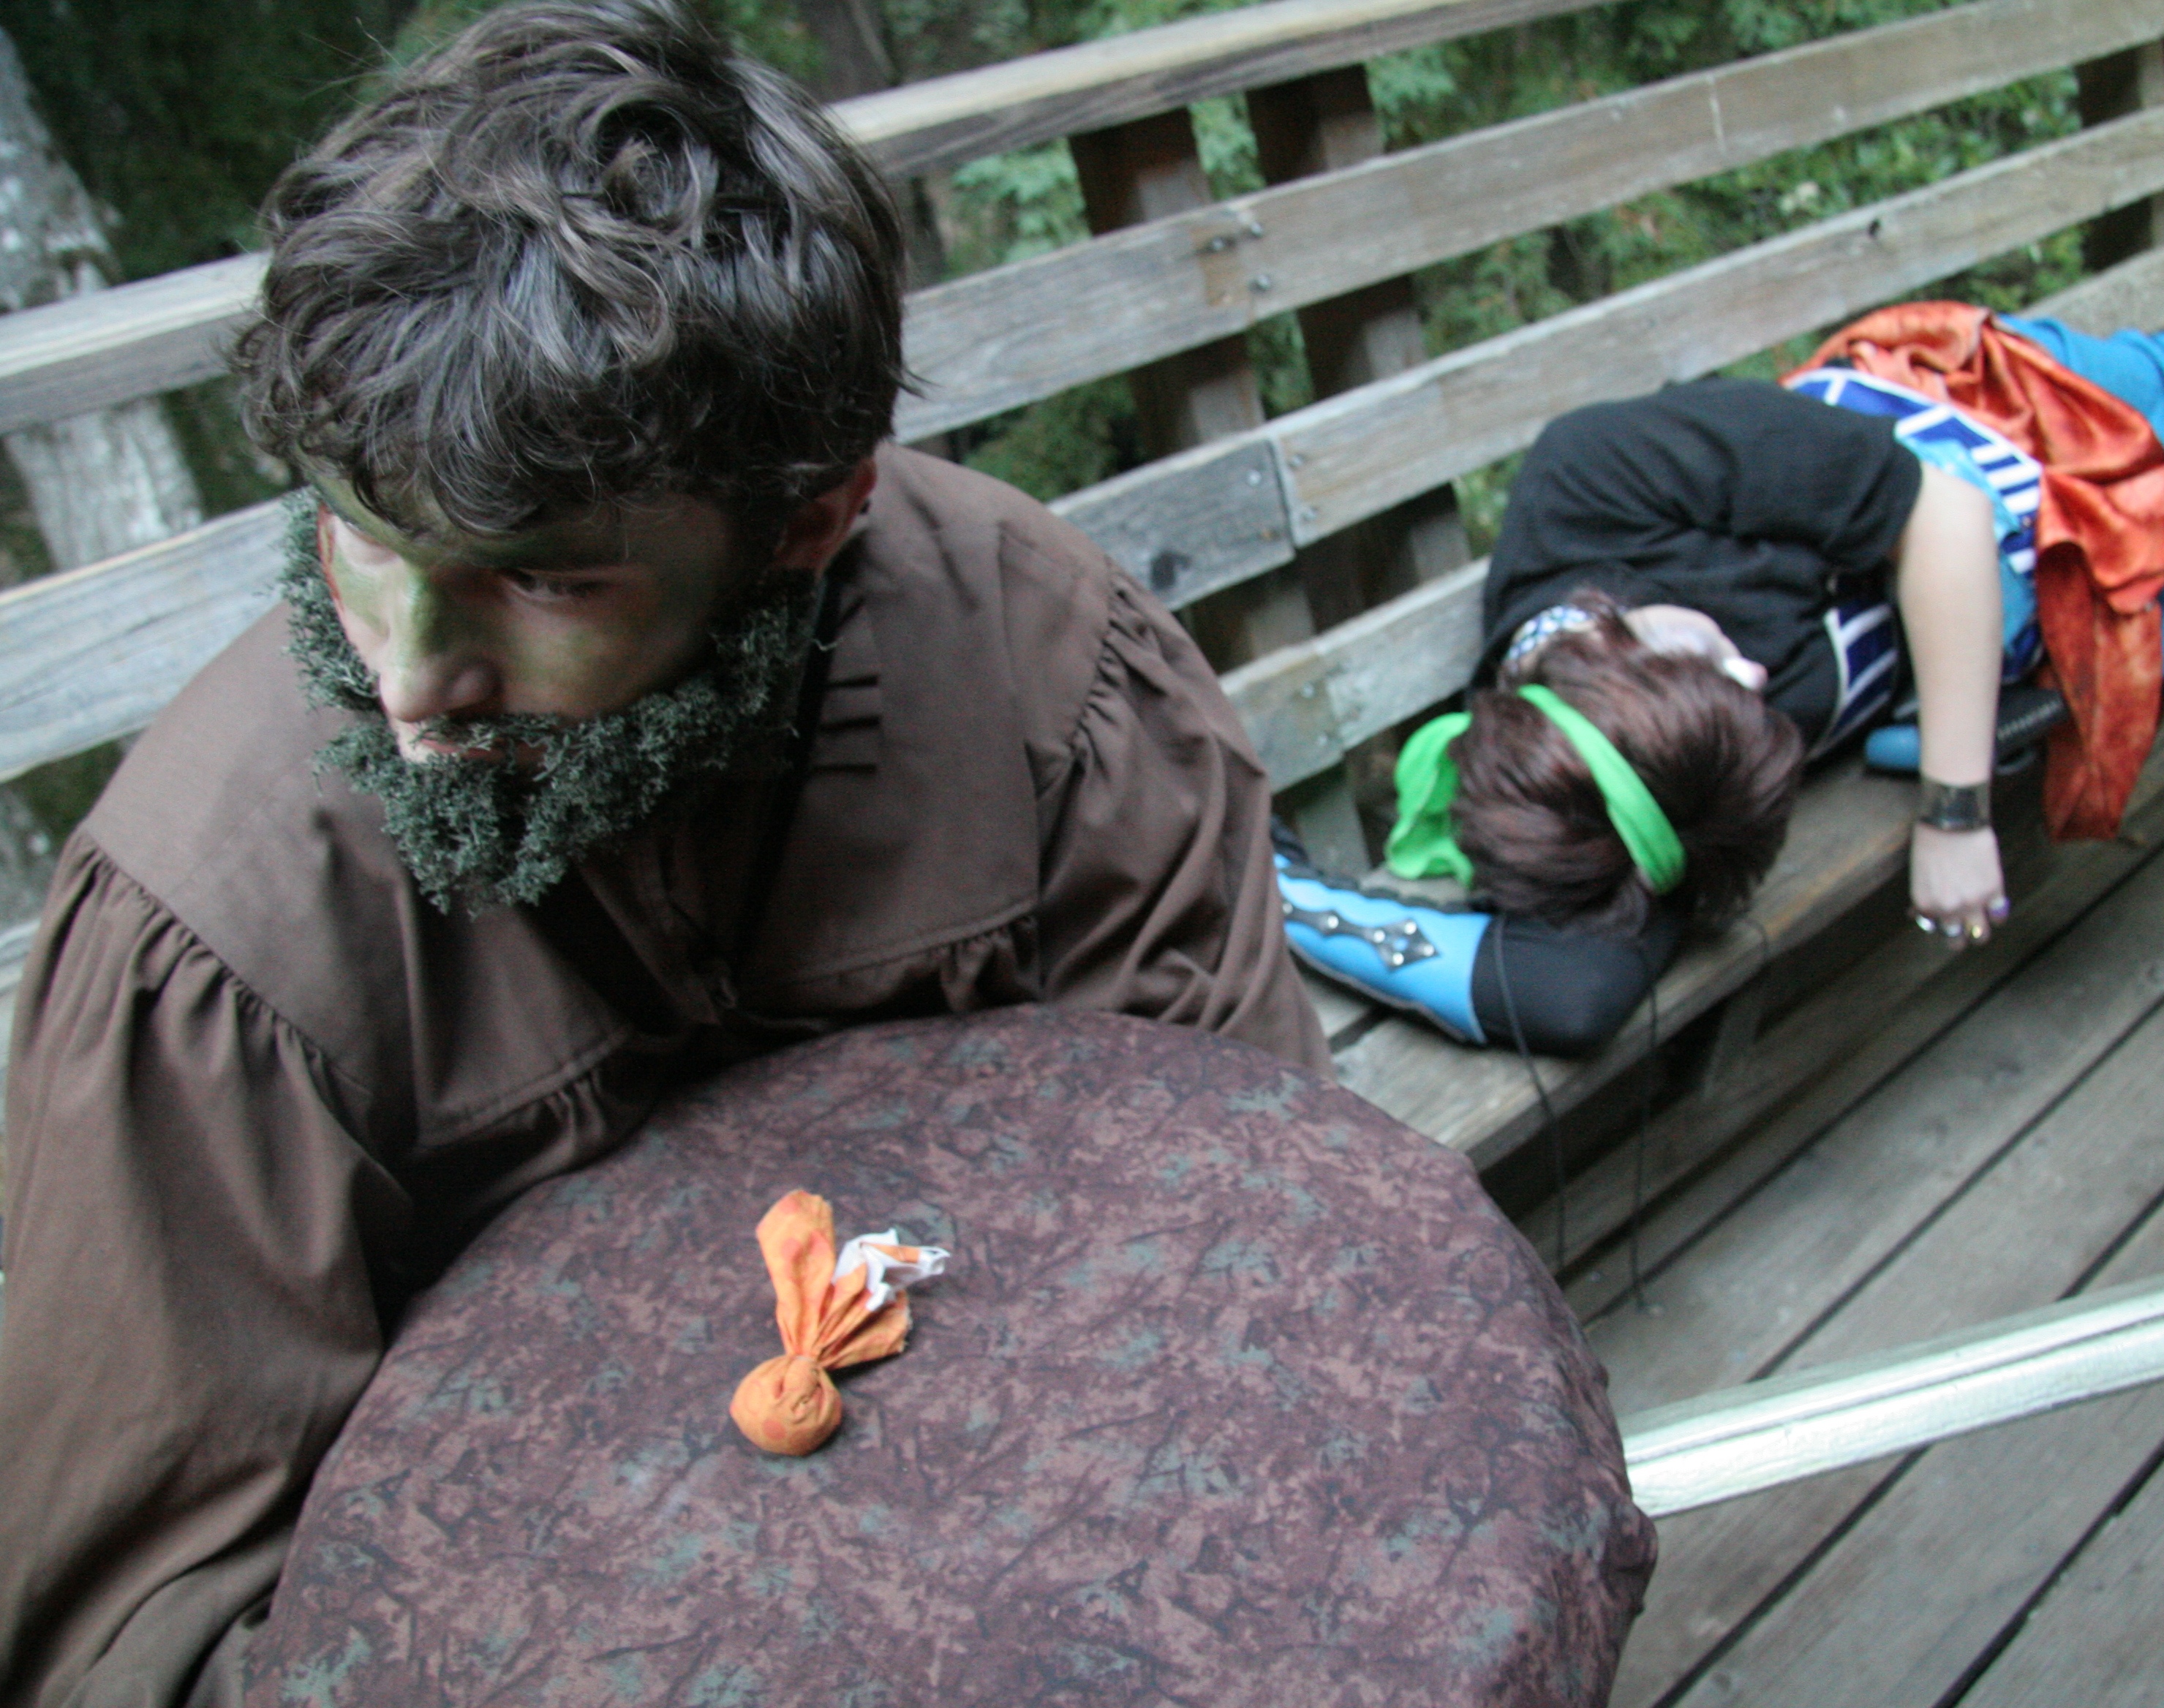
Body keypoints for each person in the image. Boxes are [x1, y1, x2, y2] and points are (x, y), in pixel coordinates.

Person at [0, 4, 1324, 1700]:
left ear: (809, 522)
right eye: (364, 536)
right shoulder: (222, 939)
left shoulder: (1038, 666)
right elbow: (148, 1627)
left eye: (542, 579)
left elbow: (1244, 1201)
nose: (411, 688)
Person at [1281, 306, 2164, 1051]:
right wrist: (1283, 897)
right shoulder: (1618, 819)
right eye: (1754, 700)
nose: (1757, 668)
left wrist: (1957, 811)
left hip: (1973, 423)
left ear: (1607, 640)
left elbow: (1945, 518)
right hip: (2070, 583)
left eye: (1717, 667)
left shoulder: (1595, 480)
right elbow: (1575, 997)